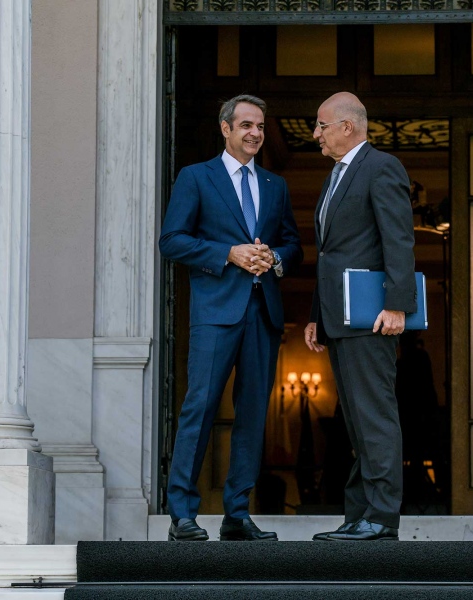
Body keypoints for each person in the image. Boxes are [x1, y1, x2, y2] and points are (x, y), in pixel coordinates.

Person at [160, 94, 302, 542]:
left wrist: (274, 257)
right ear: (226, 129)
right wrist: (229, 253)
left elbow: (294, 245)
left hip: (263, 313)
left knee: (253, 414)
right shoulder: (196, 177)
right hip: (215, 313)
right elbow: (172, 240)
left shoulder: (276, 186)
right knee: (200, 407)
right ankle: (182, 513)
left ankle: (237, 514)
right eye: (246, 125)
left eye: (260, 126)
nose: (255, 133)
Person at [304, 92, 416, 541]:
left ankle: (382, 517)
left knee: (374, 417)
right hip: (340, 319)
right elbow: (329, 254)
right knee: (355, 421)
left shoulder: (381, 167)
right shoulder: (335, 175)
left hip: (372, 317)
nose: (316, 134)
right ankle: (359, 515)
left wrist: (398, 305)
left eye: (321, 125)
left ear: (347, 127)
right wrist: (316, 315)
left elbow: (398, 238)